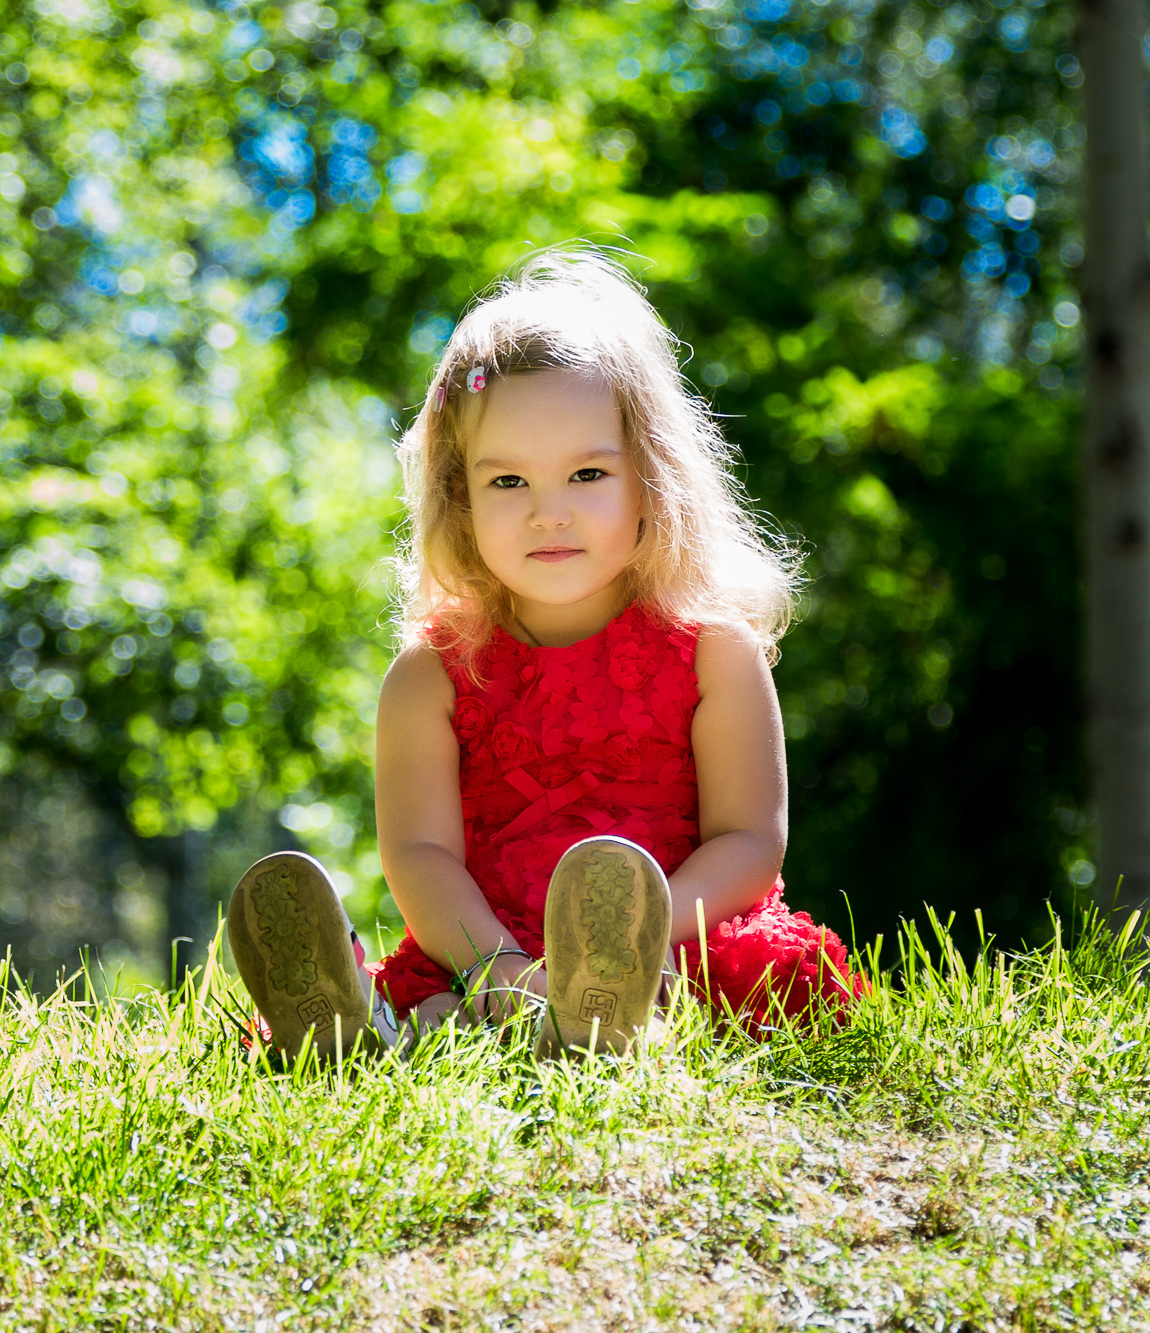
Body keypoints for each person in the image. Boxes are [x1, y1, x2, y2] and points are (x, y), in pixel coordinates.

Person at [225, 250, 864, 1061]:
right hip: (487, 948)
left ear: (652, 480)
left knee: (706, 1004)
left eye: (587, 474)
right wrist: (500, 967)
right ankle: (352, 1026)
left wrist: (632, 937)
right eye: (508, 484)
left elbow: (748, 840)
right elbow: (419, 855)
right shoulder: (431, 678)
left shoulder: (714, 656)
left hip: (672, 937)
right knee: (448, 1012)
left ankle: (592, 1017)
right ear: (460, 498)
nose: (547, 515)